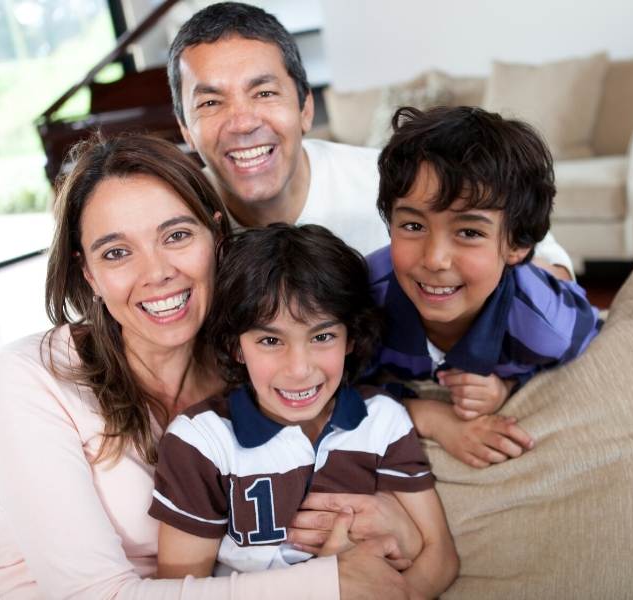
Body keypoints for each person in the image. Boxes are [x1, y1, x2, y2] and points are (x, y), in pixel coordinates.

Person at [0, 134, 416, 599]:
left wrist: (392, 515)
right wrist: (331, 583)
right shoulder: (27, 379)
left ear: (217, 238)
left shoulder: (254, 363)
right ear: (88, 273)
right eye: (117, 252)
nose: (156, 272)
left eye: (176, 236)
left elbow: (353, 411)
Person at [150, 225, 459, 597]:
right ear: (236, 347)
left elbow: (439, 555)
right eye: (269, 340)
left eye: (322, 336)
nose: (299, 369)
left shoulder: (382, 420)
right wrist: (327, 582)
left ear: (351, 338)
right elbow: (179, 592)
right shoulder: (201, 442)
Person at [166, 1, 575, 277]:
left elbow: (548, 261)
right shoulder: (171, 224)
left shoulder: (389, 180)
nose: (242, 122)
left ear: (306, 108)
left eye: (264, 93)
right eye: (211, 103)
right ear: (185, 128)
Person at [368, 106, 602, 469]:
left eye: (469, 232)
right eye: (413, 225)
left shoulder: (546, 326)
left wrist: (507, 385)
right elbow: (327, 392)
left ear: (516, 246)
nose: (435, 259)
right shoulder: (364, 298)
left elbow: (583, 328)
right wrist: (432, 417)